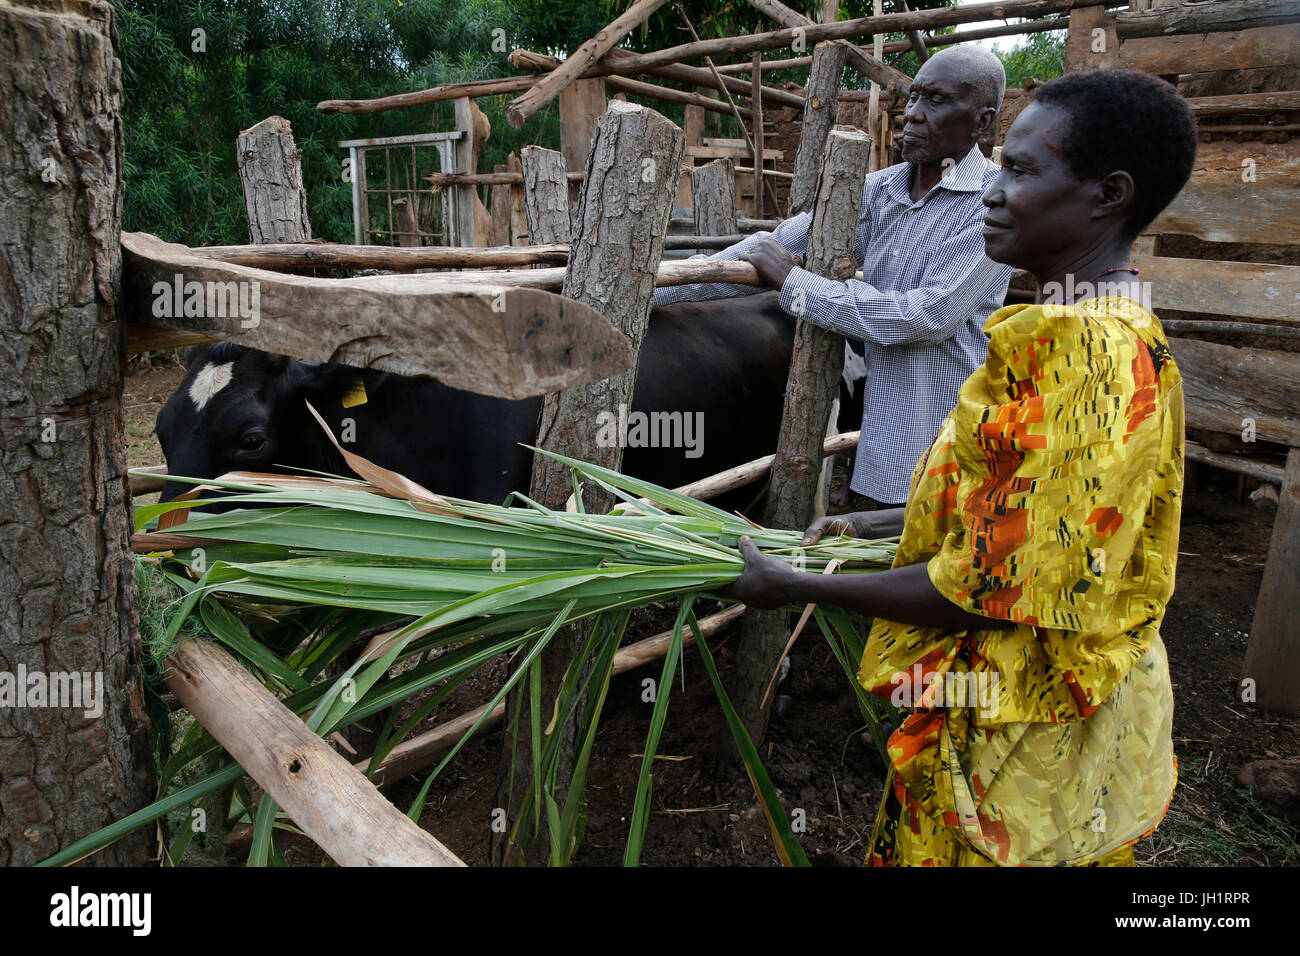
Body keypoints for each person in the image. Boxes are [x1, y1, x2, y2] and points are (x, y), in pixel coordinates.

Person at [721, 68, 1199, 867]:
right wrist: (878, 522)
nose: (991, 190)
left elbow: (991, 591)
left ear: (1109, 195)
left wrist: (795, 586)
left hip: (1021, 731)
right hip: (1017, 707)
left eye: (1019, 170)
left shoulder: (1086, 354)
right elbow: (1023, 514)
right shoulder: (1091, 321)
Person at [655, 45, 1014, 507]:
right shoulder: (878, 191)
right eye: (913, 98)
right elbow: (775, 246)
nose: (913, 115)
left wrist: (793, 284)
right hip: (879, 451)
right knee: (868, 557)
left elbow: (927, 318)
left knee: (930, 572)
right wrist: (656, 293)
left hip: (949, 450)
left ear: (982, 122)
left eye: (937, 102)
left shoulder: (993, 206)